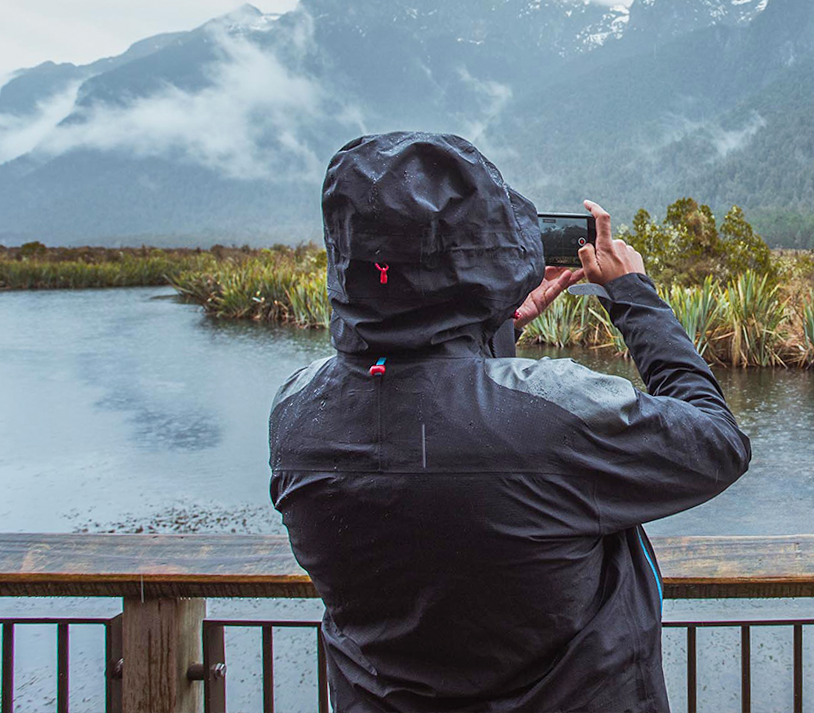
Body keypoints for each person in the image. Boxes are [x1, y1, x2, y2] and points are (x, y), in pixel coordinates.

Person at [270, 131, 752, 712]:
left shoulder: (297, 414)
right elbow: (718, 443)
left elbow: (427, 410)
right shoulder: (554, 413)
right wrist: (632, 295)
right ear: (490, 253)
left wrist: (492, 329)